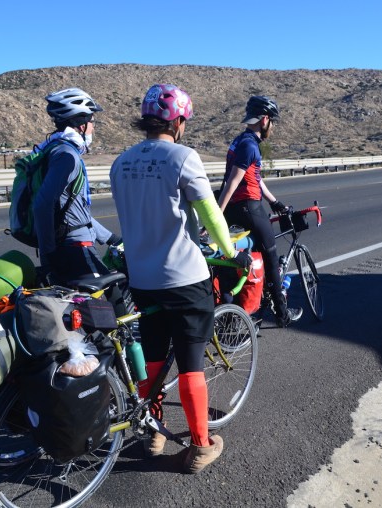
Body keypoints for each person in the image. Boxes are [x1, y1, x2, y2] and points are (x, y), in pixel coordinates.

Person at [109, 84, 251, 474]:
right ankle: (201, 445)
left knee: (154, 358)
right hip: (185, 278)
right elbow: (210, 215)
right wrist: (230, 252)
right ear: (179, 121)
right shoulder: (183, 158)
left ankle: (153, 432)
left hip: (141, 277)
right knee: (190, 363)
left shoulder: (120, 162)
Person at [217, 95, 302, 327]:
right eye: (272, 121)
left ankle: (229, 314)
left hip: (235, 209)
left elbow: (254, 177)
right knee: (271, 257)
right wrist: (215, 216)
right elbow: (233, 183)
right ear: (265, 119)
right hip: (248, 208)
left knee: (229, 260)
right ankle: (282, 315)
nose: (271, 127)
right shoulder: (249, 145)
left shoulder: (240, 141)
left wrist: (275, 203)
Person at [33, 87, 120, 284]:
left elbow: (74, 210)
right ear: (80, 124)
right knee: (110, 295)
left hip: (73, 243)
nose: (93, 127)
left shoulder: (57, 149)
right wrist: (48, 256)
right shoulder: (66, 156)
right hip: (74, 247)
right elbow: (42, 205)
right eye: (91, 121)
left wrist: (110, 238)